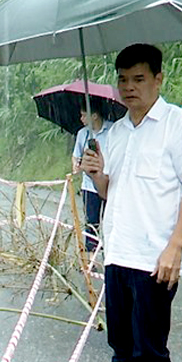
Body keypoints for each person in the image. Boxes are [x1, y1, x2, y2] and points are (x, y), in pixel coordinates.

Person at [79, 43, 182, 362]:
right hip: (119, 252)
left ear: (158, 79)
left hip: (155, 257)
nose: (129, 88)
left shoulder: (180, 124)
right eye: (122, 79)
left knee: (150, 345)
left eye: (138, 79)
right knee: (121, 342)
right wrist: (97, 175)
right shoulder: (115, 133)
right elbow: (112, 192)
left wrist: (175, 247)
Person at [72, 103, 114, 252]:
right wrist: (77, 165)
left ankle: (110, 256)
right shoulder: (82, 134)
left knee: (111, 222)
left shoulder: (113, 130)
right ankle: (91, 261)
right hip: (89, 186)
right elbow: (76, 156)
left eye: (84, 115)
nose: (81, 118)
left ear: (94, 115)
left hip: (110, 184)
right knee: (91, 224)